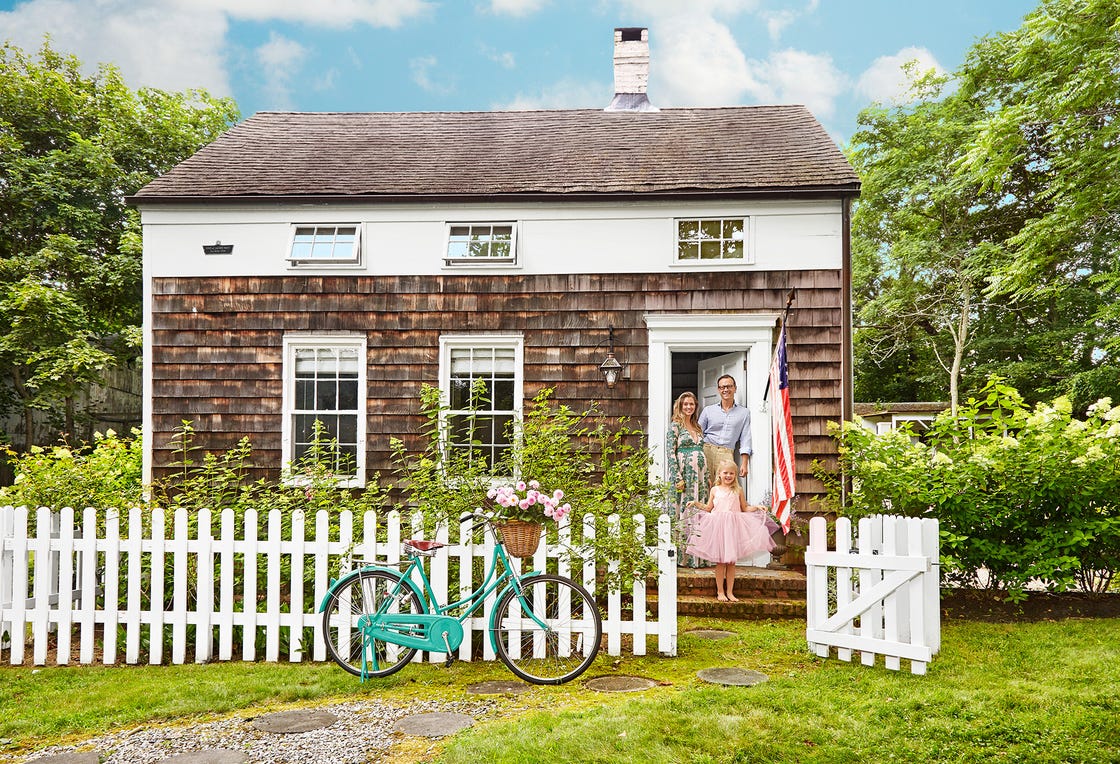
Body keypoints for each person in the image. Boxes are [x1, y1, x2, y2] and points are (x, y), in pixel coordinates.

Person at [685, 460, 775, 601]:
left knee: (731, 562)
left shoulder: (738, 490)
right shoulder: (715, 490)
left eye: (731, 473)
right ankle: (720, 591)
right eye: (725, 473)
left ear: (735, 475)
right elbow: (709, 508)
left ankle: (730, 592)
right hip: (718, 527)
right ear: (719, 474)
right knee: (721, 561)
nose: (728, 475)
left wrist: (757, 507)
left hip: (733, 527)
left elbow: (745, 508)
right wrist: (696, 503)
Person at [666, 391, 709, 568]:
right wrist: (677, 477)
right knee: (682, 511)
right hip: (683, 476)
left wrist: (708, 477)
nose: (689, 407)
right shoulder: (675, 426)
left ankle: (698, 556)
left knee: (699, 512)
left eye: (692, 404)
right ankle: (681, 557)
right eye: (686, 404)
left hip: (700, 478)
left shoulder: (697, 427)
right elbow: (670, 453)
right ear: (680, 406)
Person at [698, 374, 751, 487]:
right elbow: (698, 434)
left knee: (725, 488)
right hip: (706, 449)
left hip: (726, 453)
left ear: (735, 388)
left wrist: (744, 463)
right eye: (722, 387)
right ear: (718, 390)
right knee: (703, 485)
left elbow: (745, 438)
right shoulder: (708, 410)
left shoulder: (744, 413)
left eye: (729, 386)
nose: (725, 389)